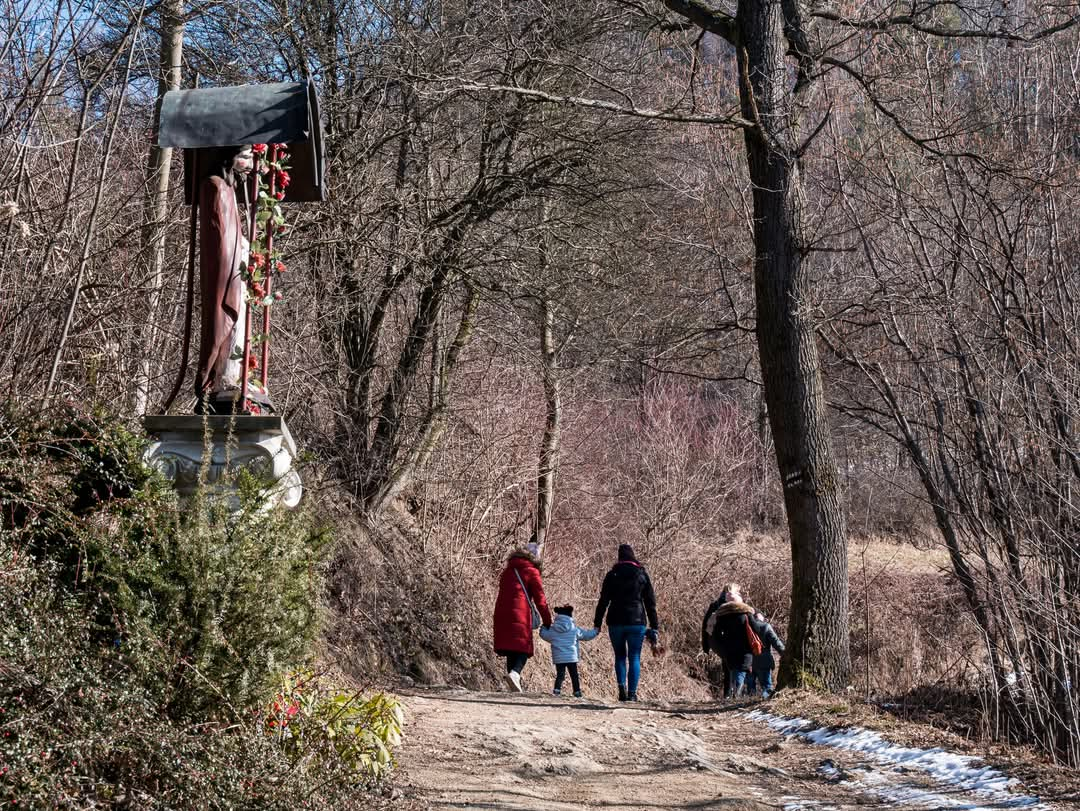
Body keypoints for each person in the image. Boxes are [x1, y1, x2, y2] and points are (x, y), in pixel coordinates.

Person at [593, 544, 660, 702]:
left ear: (619, 557)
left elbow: (603, 601)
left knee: (620, 656)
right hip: (636, 621)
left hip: (615, 621)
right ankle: (632, 693)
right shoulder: (641, 574)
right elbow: (651, 603)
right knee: (634, 657)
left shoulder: (612, 575)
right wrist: (655, 626)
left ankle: (621, 688)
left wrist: (597, 622)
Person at [492, 543, 552, 692]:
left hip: (501, 613)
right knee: (523, 648)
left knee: (511, 648)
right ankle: (515, 674)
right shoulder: (532, 572)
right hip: (520, 613)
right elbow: (540, 600)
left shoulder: (507, 571)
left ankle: (514, 683)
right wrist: (547, 620)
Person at [701, 583, 766, 698]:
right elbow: (754, 623)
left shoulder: (718, 608)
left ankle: (729, 694)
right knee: (739, 670)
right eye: (738, 592)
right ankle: (735, 694)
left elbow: (707, 627)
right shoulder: (741, 610)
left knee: (730, 669)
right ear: (734, 594)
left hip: (725, 645)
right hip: (740, 648)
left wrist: (707, 645)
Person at [539, 605, 599, 697]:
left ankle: (557, 690)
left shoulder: (553, 630)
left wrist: (543, 627)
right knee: (574, 676)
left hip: (559, 658)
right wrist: (595, 631)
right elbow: (586, 635)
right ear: (570, 616)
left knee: (560, 675)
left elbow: (543, 635)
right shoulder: (574, 630)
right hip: (571, 657)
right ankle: (577, 692)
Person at [746, 610, 785, 699]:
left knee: (750, 689)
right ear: (762, 617)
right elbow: (776, 642)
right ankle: (764, 702)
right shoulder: (765, 626)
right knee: (767, 687)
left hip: (749, 662)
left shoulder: (746, 628)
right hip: (764, 661)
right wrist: (784, 653)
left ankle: (749, 705)